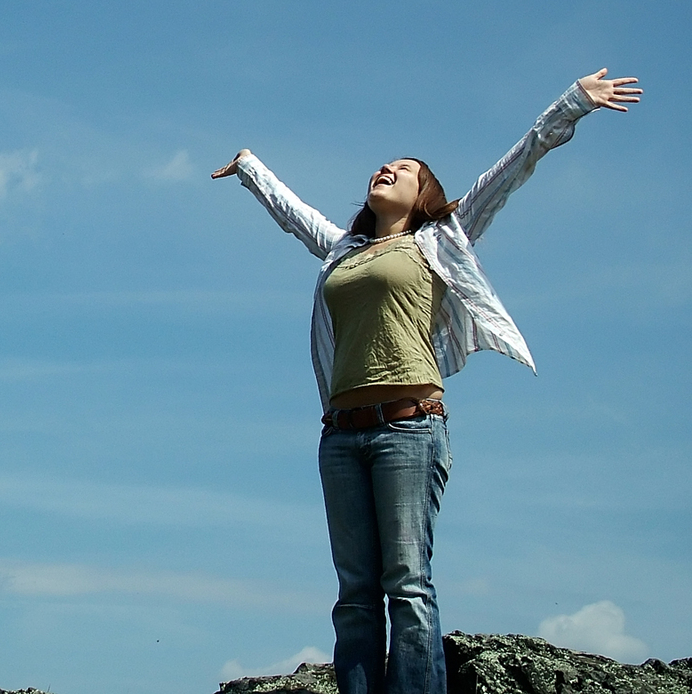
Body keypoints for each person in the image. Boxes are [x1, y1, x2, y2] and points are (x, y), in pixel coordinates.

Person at [211, 69, 642, 694]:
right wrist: (250, 167)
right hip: (340, 435)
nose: (385, 170)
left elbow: (515, 165)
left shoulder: (440, 239)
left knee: (407, 582)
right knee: (355, 593)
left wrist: (572, 105)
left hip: (410, 428)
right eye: (381, 165)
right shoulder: (342, 249)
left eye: (402, 169)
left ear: (423, 194)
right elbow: (291, 213)